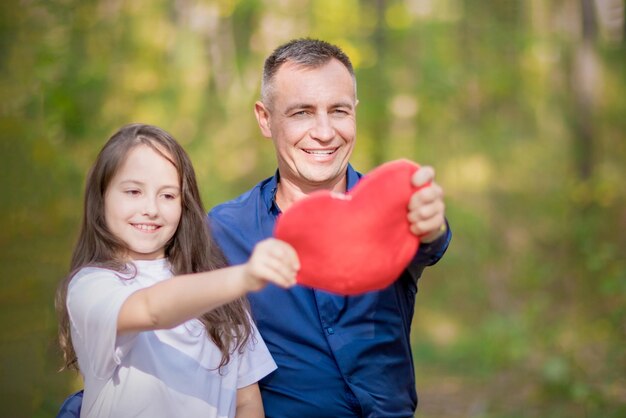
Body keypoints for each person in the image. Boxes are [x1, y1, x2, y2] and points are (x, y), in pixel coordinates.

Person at [208, 38, 452, 417]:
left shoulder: (392, 207)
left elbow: (429, 238)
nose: (324, 132)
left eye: (338, 111)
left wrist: (430, 221)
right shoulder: (222, 232)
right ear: (265, 118)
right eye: (302, 113)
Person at [55, 123, 299, 418]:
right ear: (102, 197)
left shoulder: (217, 287)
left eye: (168, 195)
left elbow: (246, 400)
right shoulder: (91, 286)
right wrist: (245, 277)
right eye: (133, 191)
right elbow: (151, 309)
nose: (151, 209)